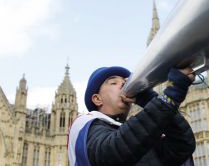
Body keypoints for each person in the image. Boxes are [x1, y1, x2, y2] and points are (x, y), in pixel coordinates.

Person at [68, 66, 196, 166]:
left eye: (125, 82)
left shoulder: (140, 136)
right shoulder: (86, 127)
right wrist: (171, 95)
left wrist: (148, 99)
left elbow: (182, 146)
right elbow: (113, 153)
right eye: (114, 83)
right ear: (97, 99)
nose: (124, 85)